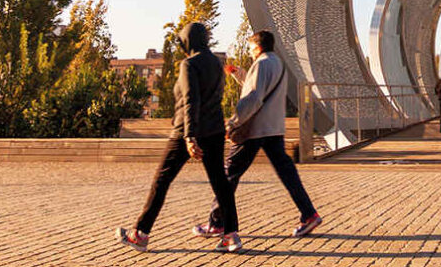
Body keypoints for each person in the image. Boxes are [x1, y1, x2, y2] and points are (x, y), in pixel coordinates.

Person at [117, 21, 242, 253]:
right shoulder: (216, 63)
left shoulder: (189, 64)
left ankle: (140, 234)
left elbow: (190, 100)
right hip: (214, 130)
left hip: (187, 131)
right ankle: (231, 236)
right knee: (221, 184)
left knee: (161, 181)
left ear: (187, 41)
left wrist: (189, 137)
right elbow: (215, 99)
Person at [191, 30, 321, 239]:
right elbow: (262, 87)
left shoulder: (260, 64)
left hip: (254, 130)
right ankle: (309, 214)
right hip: (274, 128)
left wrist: (233, 122)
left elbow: (253, 98)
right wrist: (239, 73)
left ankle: (217, 223)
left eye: (251, 49)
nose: (250, 53)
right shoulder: (277, 63)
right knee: (288, 174)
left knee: (228, 174)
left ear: (258, 47)